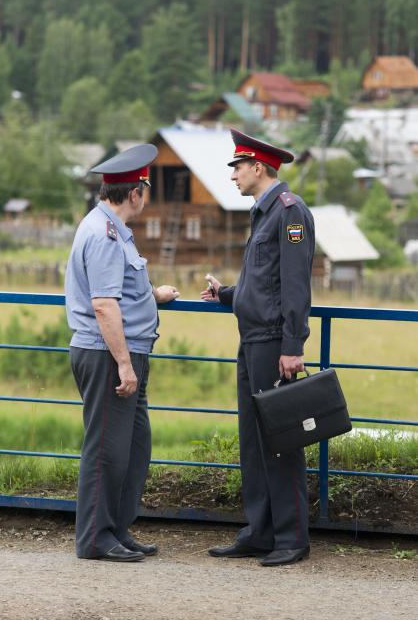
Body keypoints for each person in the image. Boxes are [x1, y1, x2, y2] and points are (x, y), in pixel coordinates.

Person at [201, 129, 315, 567]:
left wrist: (293, 344)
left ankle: (290, 538)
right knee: (253, 440)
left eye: (238, 167)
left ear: (259, 167)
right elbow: (263, 282)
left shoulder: (289, 212)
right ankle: (260, 531)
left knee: (280, 441)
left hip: (273, 344)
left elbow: (295, 284)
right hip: (252, 339)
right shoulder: (262, 212)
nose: (233, 175)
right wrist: (228, 294)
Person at [65, 144, 179, 562]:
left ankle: (115, 528)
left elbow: (119, 291)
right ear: (135, 193)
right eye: (145, 189)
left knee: (133, 448)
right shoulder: (105, 234)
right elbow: (103, 304)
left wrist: (152, 295)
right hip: (109, 356)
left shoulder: (110, 230)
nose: (145, 196)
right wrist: (125, 365)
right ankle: (95, 537)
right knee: (107, 450)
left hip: (121, 353)